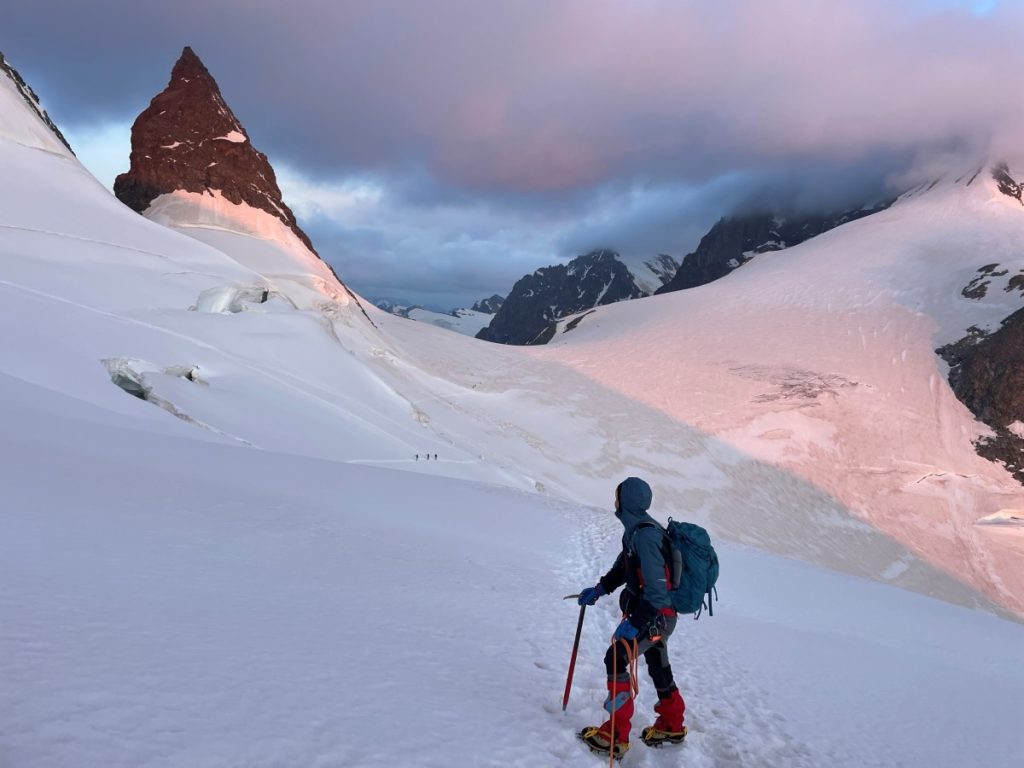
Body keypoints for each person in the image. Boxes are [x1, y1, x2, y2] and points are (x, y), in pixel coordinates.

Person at [576, 476, 686, 758]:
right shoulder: (635, 531)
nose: (614, 499)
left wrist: (636, 623)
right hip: (659, 615)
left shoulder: (646, 535)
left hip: (655, 615)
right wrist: (599, 589)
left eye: (617, 495)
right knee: (657, 662)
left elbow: (657, 590)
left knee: (616, 658)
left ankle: (614, 735)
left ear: (626, 501)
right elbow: (624, 568)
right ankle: (672, 724)